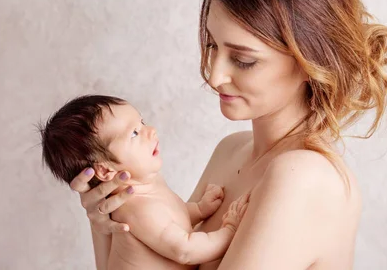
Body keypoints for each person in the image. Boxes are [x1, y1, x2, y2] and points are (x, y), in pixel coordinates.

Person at [67, 0, 387, 269]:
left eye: (242, 59)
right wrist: (108, 220)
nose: (214, 76)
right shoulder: (231, 150)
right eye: (212, 45)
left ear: (308, 60)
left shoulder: (304, 177)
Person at [39, 94, 251, 269]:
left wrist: (199, 209)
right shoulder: (135, 208)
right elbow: (185, 250)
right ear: (105, 170)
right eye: (134, 133)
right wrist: (230, 230)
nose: (151, 130)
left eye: (142, 122)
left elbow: (172, 220)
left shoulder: (148, 188)